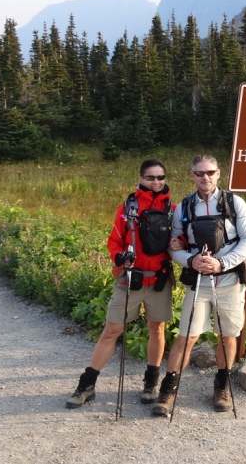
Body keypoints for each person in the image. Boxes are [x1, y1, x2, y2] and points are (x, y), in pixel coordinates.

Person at [152, 154, 246, 416]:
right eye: (199, 173)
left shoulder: (235, 203)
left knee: (227, 335)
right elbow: (173, 247)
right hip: (198, 283)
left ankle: (221, 384)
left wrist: (221, 264)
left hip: (230, 281)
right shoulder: (184, 207)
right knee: (186, 336)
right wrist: (191, 260)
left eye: (210, 172)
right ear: (192, 175)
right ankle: (168, 390)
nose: (205, 177)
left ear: (219, 173)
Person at [66, 159, 175, 408]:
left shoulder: (173, 209)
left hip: (159, 280)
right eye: (150, 178)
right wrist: (119, 258)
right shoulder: (127, 208)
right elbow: (114, 240)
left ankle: (151, 383)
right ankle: (87, 385)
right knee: (112, 331)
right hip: (130, 279)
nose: (156, 182)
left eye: (160, 177)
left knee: (156, 328)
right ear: (140, 179)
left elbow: (179, 240)